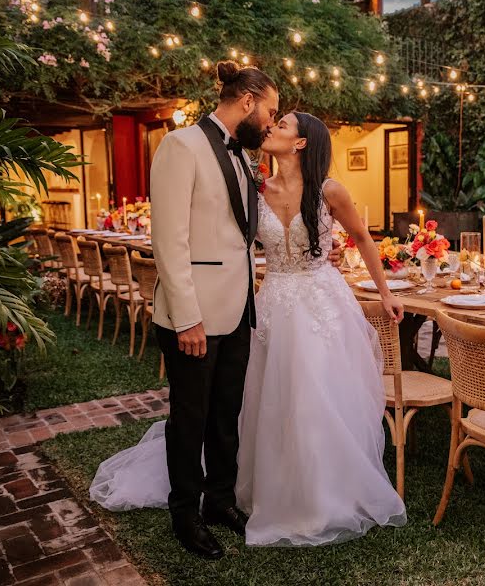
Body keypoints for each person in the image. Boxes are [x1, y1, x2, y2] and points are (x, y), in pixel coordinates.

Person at [89, 62, 406, 554]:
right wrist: (187, 315)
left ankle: (222, 500)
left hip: (252, 310)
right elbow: (169, 241)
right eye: (273, 112)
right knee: (191, 415)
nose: (274, 121)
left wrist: (331, 255)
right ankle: (185, 515)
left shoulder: (250, 164)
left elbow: (258, 235)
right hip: (207, 312)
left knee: (232, 411)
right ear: (249, 101)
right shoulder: (183, 147)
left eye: (282, 120)